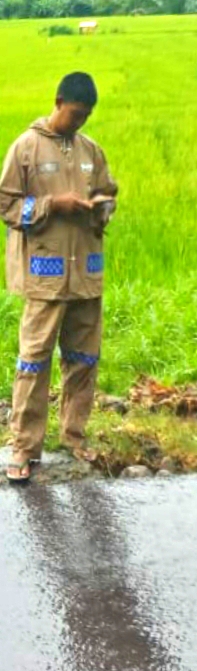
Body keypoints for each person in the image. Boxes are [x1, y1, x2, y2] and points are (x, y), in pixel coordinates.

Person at [0, 72, 116, 483]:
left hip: (86, 272)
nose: (79, 123)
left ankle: (74, 435)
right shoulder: (26, 148)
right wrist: (53, 204)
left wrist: (101, 205)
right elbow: (7, 204)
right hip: (44, 275)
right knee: (33, 361)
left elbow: (108, 191)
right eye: (75, 114)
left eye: (86, 117)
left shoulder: (91, 151)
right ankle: (24, 448)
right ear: (58, 101)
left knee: (83, 358)